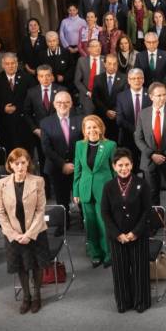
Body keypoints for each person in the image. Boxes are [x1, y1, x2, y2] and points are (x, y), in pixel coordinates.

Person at [0, 148, 52, 314]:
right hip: (13, 233)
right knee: (21, 266)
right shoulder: (1, 184)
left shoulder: (38, 181)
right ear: (10, 165)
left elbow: (41, 210)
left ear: (28, 163)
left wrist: (29, 234)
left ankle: (37, 296)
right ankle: (26, 297)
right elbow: (1, 213)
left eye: (23, 163)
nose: (20, 166)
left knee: (36, 265)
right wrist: (15, 235)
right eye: (16, 163)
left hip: (35, 232)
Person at [99, 148, 153, 314]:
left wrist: (135, 232)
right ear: (114, 166)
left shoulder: (142, 184)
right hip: (117, 237)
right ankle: (123, 302)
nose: (124, 168)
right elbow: (105, 213)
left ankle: (141, 301)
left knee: (139, 270)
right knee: (120, 271)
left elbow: (147, 211)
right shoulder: (108, 187)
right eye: (120, 165)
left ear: (132, 165)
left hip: (138, 234)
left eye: (127, 164)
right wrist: (117, 234)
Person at [134, 82, 166, 237]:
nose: (162, 98)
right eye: (158, 95)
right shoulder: (143, 113)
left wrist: (164, 155)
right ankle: (155, 222)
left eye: (164, 95)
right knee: (151, 193)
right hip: (149, 160)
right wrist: (152, 154)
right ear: (150, 96)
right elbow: (138, 137)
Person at [73, 115, 116, 268]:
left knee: (104, 223)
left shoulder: (110, 145)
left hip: (104, 190)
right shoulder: (79, 145)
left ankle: (108, 253)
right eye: (88, 127)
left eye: (95, 127)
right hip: (85, 190)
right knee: (90, 224)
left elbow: (114, 169)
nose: (92, 130)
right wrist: (75, 192)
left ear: (101, 128)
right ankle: (95, 254)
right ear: (84, 130)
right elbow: (77, 170)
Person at [39, 91, 82, 208]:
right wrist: (63, 164)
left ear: (71, 103)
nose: (62, 105)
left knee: (82, 200)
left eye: (66, 102)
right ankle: (64, 224)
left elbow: (84, 144)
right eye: (59, 102)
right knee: (62, 201)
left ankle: (85, 223)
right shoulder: (45, 123)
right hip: (56, 167)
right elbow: (46, 148)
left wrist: (74, 164)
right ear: (54, 104)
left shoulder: (81, 120)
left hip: (78, 167)